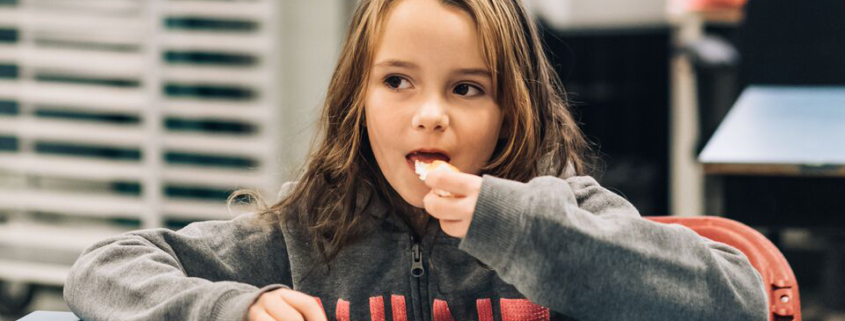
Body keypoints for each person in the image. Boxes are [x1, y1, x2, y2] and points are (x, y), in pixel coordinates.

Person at [63, 0, 768, 320]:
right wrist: (236, 307)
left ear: (508, 111)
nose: (429, 112)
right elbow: (102, 271)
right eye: (397, 81)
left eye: (466, 88)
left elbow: (737, 297)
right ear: (357, 100)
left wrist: (520, 226)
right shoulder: (310, 230)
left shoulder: (561, 211)